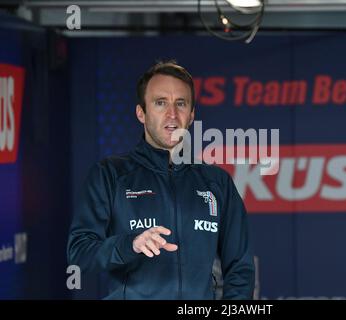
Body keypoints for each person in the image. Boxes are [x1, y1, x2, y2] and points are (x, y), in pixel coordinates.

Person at [67, 60, 255, 300]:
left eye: (181, 104)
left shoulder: (217, 183)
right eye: (160, 103)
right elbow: (79, 254)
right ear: (141, 113)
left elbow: (240, 267)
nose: (172, 114)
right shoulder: (110, 175)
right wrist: (129, 245)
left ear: (192, 114)